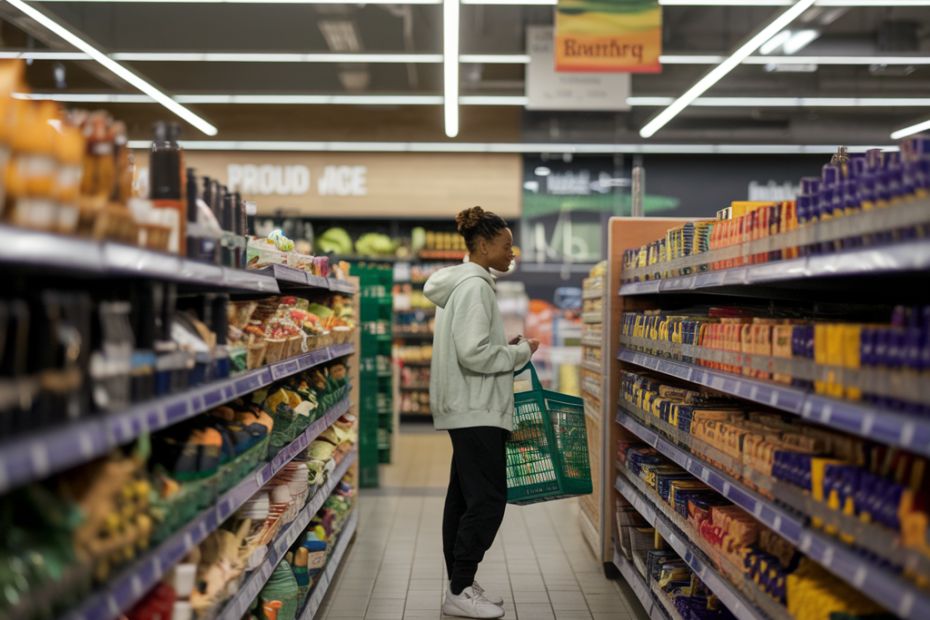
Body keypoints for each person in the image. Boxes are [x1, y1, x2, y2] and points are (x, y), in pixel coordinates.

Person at [423, 206, 540, 619]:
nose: (512, 252)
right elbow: (473, 353)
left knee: (463, 497)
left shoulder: (462, 283)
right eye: (507, 245)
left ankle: (462, 583)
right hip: (476, 407)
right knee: (489, 498)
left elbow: (471, 344)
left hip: (468, 405)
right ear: (485, 245)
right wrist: (519, 352)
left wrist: (502, 344)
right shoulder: (475, 287)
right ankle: (459, 589)